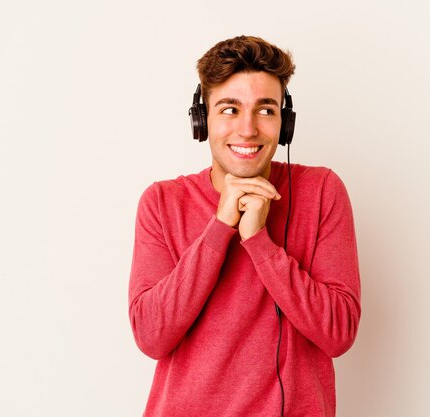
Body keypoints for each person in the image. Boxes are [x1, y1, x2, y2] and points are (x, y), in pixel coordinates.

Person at [128, 35, 361, 417]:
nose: (248, 129)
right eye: (229, 109)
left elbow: (338, 334)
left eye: (265, 110)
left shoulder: (321, 192)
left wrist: (259, 241)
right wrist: (220, 227)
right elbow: (152, 337)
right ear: (202, 119)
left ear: (285, 123)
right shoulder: (161, 202)